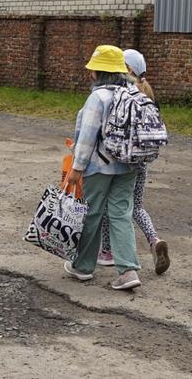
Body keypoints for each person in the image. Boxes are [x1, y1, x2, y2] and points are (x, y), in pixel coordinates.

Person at [62, 45, 144, 291]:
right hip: (130, 164)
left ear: (97, 72)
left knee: (91, 213)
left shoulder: (98, 97)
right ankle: (128, 270)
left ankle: (83, 267)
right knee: (121, 213)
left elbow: (87, 136)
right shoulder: (134, 93)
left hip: (99, 166)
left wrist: (77, 168)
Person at [98, 49, 170, 275]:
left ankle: (107, 252)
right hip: (142, 161)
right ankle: (154, 240)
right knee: (136, 206)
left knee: (112, 206)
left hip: (121, 159)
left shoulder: (123, 95)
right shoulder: (148, 95)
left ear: (127, 70)